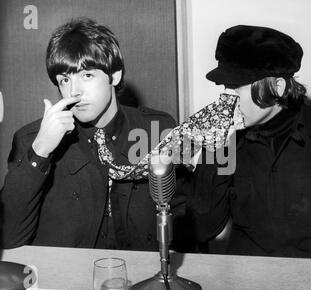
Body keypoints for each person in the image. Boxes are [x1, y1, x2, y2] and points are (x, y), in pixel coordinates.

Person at [0, 17, 193, 252]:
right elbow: (8, 239)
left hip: (142, 280)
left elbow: (184, 217)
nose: (74, 91)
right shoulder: (31, 139)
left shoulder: (156, 129)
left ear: (115, 76)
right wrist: (40, 152)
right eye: (64, 80)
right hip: (67, 282)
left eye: (87, 76)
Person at [187, 25, 311, 258]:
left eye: (235, 87)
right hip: (247, 285)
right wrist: (215, 146)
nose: (226, 100)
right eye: (225, 88)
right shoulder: (226, 141)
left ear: (277, 87)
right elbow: (203, 228)